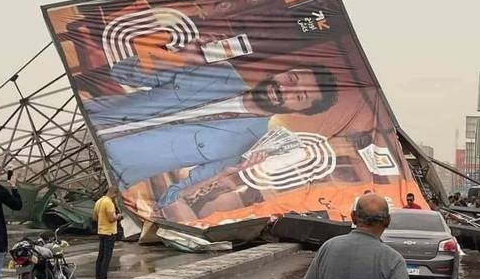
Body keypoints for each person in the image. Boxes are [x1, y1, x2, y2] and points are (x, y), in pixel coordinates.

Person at [85, 54, 337, 205]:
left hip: (103, 174)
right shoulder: (217, 70)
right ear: (283, 71)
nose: (285, 89)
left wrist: (224, 176)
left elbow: (171, 197)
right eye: (291, 78)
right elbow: (121, 72)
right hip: (87, 121)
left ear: (298, 112)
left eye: (299, 96)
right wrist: (175, 58)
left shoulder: (249, 148)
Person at [92, 187, 122, 279]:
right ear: (114, 194)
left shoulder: (99, 202)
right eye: (116, 195)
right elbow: (111, 219)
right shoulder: (109, 203)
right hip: (110, 233)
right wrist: (118, 216)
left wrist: (102, 220)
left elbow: (94, 217)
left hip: (101, 231)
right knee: (106, 257)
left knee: (100, 256)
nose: (115, 198)